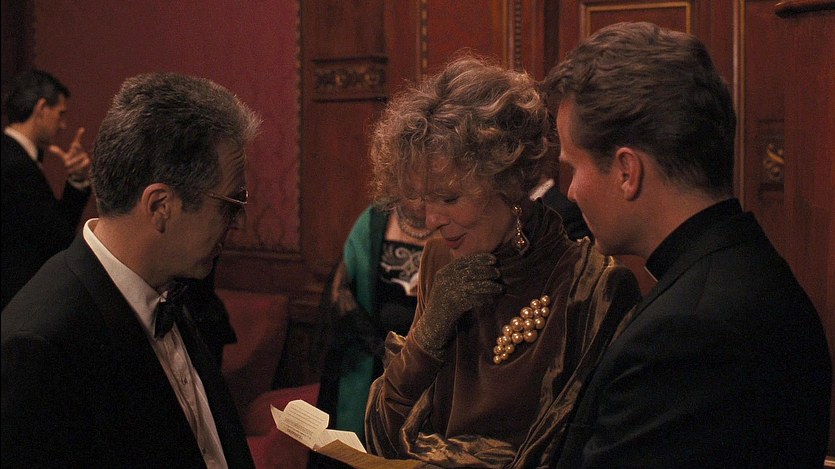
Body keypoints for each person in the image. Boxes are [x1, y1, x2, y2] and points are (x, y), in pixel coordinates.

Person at [545, 22, 831, 468]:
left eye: (572, 167)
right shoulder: (735, 271)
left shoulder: (687, 334)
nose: (571, 191)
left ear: (626, 171)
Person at [362, 54, 642, 468]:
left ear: (508, 180)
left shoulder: (592, 286)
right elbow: (381, 435)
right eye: (424, 199)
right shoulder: (442, 259)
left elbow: (561, 456)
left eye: (449, 198)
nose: (432, 220)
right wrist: (428, 336)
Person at [1, 72, 262, 468]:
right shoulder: (38, 346)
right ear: (160, 206)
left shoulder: (169, 287)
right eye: (230, 205)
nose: (238, 223)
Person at [317, 200, 437, 442]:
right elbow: (340, 290)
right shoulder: (374, 220)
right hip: (369, 357)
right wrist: (379, 346)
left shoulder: (452, 221)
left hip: (429, 365)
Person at [1, 69, 92, 309]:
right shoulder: (16, 166)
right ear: (42, 108)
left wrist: (76, 180)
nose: (63, 125)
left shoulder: (13, 157)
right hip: (16, 300)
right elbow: (56, 238)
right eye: (60, 113)